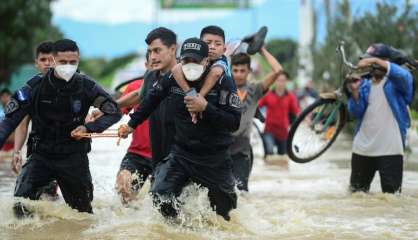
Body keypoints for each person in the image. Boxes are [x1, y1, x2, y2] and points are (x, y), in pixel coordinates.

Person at [118, 38, 241, 221]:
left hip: (214, 158)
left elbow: (234, 123)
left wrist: (206, 108)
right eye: (186, 61)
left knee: (225, 215)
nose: (190, 65)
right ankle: (182, 228)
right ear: (180, 61)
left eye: (196, 61)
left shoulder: (224, 81)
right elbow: (150, 101)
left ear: (206, 61)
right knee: (159, 195)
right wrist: (131, 125)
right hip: (182, 154)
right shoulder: (173, 78)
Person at [0, 39, 122, 217]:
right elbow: (9, 122)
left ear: (78, 60)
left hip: (73, 157)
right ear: (53, 60)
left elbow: (114, 112)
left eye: (73, 62)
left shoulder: (87, 87)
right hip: (41, 155)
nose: (68, 66)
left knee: (83, 215)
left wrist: (89, 127)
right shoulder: (34, 87)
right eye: (63, 62)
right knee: (21, 204)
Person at [347, 43, 413, 194]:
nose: (370, 66)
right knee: (355, 200)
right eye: (368, 62)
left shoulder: (397, 84)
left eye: (373, 62)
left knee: (391, 202)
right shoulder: (364, 85)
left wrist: (375, 61)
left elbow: (405, 77)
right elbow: (355, 113)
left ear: (385, 61)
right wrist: (355, 93)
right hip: (362, 149)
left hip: (391, 151)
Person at [10, 41, 60, 200]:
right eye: (43, 60)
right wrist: (16, 151)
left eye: (51, 59)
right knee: (21, 199)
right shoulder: (29, 91)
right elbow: (22, 125)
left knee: (51, 198)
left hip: (65, 152)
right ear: (36, 63)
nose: (47, 63)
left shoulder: (70, 87)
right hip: (38, 152)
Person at [229, 49, 282, 191]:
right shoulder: (224, 88)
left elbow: (278, 71)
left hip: (242, 150)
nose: (239, 74)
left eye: (242, 71)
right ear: (230, 70)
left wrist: (262, 50)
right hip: (221, 148)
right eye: (235, 70)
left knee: (241, 192)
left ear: (249, 71)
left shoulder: (255, 89)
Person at [171, 25, 230, 122]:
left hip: (220, 109)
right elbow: (176, 70)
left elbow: (215, 73)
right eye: (208, 43)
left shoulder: (221, 60)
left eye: (217, 44)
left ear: (224, 49)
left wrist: (197, 99)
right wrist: (192, 96)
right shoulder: (194, 59)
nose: (212, 47)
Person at [258, 72, 300, 157]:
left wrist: (308, 121)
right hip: (269, 131)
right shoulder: (268, 95)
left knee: (283, 159)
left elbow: (297, 112)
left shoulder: (290, 97)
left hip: (283, 133)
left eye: (283, 80)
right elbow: (257, 106)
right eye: (278, 80)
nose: (280, 83)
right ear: (275, 81)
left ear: (286, 82)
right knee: (269, 154)